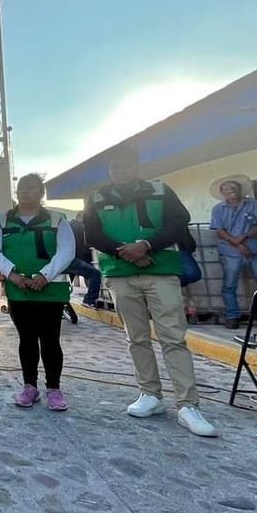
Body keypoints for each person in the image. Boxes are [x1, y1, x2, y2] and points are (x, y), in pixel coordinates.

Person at [82, 147, 218, 437]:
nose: (120, 170)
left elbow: (178, 222)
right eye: (115, 166)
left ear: (136, 165)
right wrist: (127, 252)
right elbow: (92, 234)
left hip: (160, 269)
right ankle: (150, 395)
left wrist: (146, 245)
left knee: (173, 337)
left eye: (126, 165)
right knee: (137, 338)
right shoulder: (96, 198)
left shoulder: (159, 190)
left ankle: (188, 404)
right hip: (120, 273)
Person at [0, 174, 75, 411]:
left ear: (41, 192)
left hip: (50, 290)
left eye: (31, 187)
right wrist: (12, 275)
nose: (25, 191)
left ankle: (54, 389)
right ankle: (29, 387)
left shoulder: (58, 220)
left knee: (50, 340)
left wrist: (44, 275)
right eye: (21, 188)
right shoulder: (2, 221)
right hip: (19, 290)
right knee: (26, 339)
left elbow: (67, 250)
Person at [210, 177, 257, 330]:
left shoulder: (255, 204)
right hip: (230, 252)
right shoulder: (218, 209)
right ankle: (232, 316)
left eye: (234, 185)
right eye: (226, 187)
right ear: (222, 192)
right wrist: (236, 243)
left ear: (240, 189)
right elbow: (219, 230)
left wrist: (243, 238)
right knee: (229, 285)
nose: (231, 189)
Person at [68, 218, 104, 309]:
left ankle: (64, 301)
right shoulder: (82, 227)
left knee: (68, 282)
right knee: (95, 274)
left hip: (65, 260)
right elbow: (89, 242)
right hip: (74, 259)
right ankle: (89, 300)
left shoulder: (69, 225)